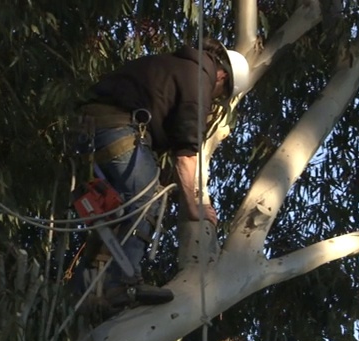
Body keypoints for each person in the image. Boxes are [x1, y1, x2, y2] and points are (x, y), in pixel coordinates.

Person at [74, 38, 249, 313]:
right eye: (219, 95)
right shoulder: (199, 79)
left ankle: (87, 290)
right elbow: (186, 155)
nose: (213, 101)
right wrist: (194, 209)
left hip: (92, 127)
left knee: (115, 214)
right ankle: (122, 284)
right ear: (222, 76)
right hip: (116, 127)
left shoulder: (180, 67)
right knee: (146, 200)